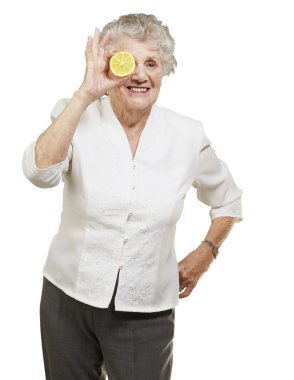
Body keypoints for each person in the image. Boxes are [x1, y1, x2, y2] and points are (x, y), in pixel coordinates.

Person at [22, 13, 243, 380]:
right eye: (128, 62)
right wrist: (85, 93)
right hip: (66, 298)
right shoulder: (76, 114)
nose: (140, 75)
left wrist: (206, 252)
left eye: (152, 63)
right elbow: (39, 173)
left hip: (146, 311)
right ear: (109, 67)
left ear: (163, 73)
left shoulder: (187, 136)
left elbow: (229, 201)